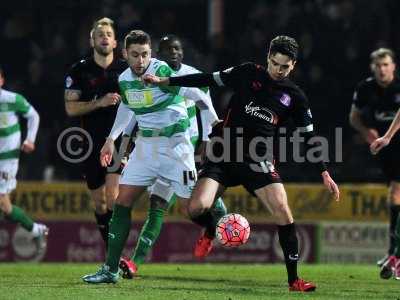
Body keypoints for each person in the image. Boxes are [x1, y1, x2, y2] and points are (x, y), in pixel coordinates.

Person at [144, 35, 340, 292]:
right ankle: (213, 228)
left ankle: (294, 281)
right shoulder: (247, 72)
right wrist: (165, 81)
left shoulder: (294, 96)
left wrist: (324, 171)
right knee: (196, 208)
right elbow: (206, 80)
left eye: (285, 66)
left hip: (257, 160)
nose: (278, 70)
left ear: (293, 65)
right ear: (268, 57)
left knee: (283, 210)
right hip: (223, 154)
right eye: (275, 63)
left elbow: (308, 137)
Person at [82, 30, 219, 284]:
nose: (141, 60)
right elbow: (127, 106)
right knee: (122, 202)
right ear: (125, 54)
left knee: (194, 208)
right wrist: (111, 139)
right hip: (145, 148)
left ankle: (220, 215)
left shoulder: (163, 72)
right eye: (135, 55)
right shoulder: (124, 79)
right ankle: (110, 270)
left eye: (145, 54)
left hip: (176, 148)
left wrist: (213, 124)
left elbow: (198, 95)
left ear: (151, 54)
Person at [118, 35, 228, 279]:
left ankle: (217, 224)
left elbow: (204, 102)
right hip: (155, 148)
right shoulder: (148, 75)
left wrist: (209, 139)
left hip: (184, 146)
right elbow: (137, 112)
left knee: (193, 206)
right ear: (158, 53)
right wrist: (124, 147)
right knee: (157, 206)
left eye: (177, 48)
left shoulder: (193, 75)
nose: (174, 53)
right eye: (168, 50)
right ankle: (134, 263)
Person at [64, 17, 126, 249]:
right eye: (100, 34)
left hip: (119, 142)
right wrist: (99, 102)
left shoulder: (125, 70)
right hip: (89, 143)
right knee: (100, 204)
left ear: (115, 42)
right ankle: (111, 252)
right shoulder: (79, 70)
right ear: (92, 40)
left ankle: (115, 256)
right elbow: (70, 108)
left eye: (108, 34)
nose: (104, 37)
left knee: (113, 197)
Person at [349, 48, 400, 275]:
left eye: (386, 65)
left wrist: (387, 135)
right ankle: (394, 253)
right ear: (373, 68)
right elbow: (354, 117)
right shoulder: (365, 88)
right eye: (378, 65)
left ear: (393, 67)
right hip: (386, 151)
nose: (382, 69)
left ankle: (395, 256)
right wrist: (368, 133)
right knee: (394, 197)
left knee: (396, 194)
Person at [0, 66, 48, 250]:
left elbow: (33, 116)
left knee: (3, 204)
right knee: (6, 208)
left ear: (2, 81)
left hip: (7, 159)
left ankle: (36, 228)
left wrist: (30, 139)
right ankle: (36, 229)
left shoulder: (12, 99)